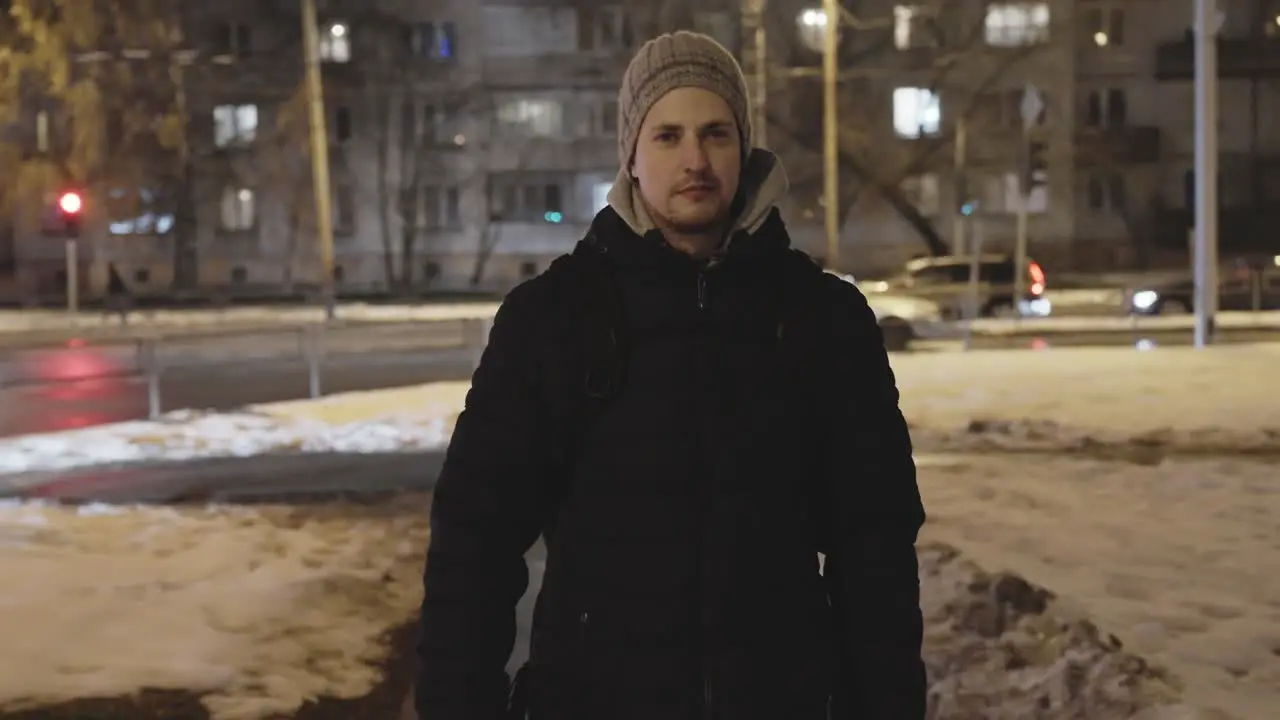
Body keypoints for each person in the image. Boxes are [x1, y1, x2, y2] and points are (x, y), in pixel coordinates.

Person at [414, 30, 926, 720]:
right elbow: (475, 539)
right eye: (668, 136)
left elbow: (876, 547)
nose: (695, 160)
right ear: (630, 152)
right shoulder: (553, 319)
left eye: (715, 134)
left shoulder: (822, 319)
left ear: (743, 148)